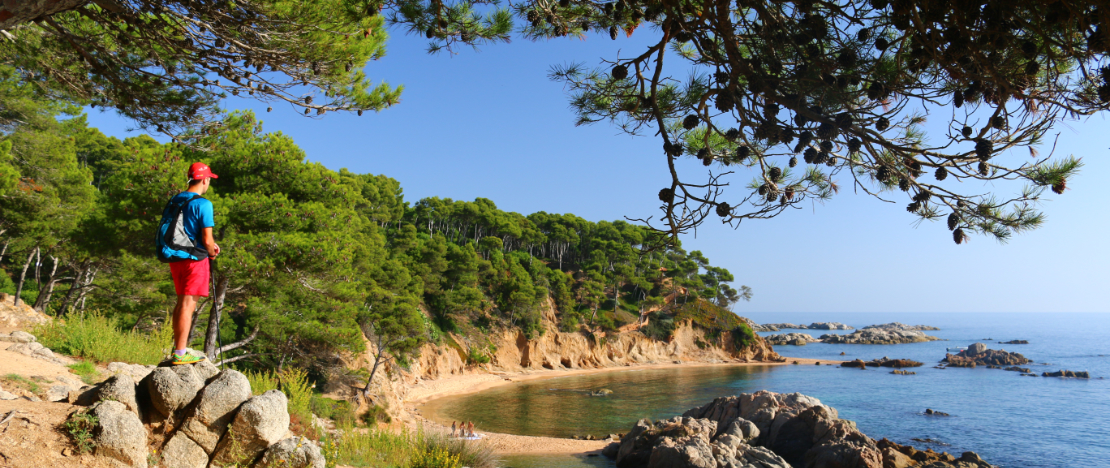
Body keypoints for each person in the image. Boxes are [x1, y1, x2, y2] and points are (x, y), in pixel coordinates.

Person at [166, 162, 220, 365]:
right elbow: (207, 240)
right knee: (188, 305)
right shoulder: (204, 204)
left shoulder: (176, 199)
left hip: (175, 257)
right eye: (209, 180)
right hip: (194, 260)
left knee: (181, 303)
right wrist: (213, 251)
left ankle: (179, 349)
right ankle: (180, 354)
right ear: (205, 180)